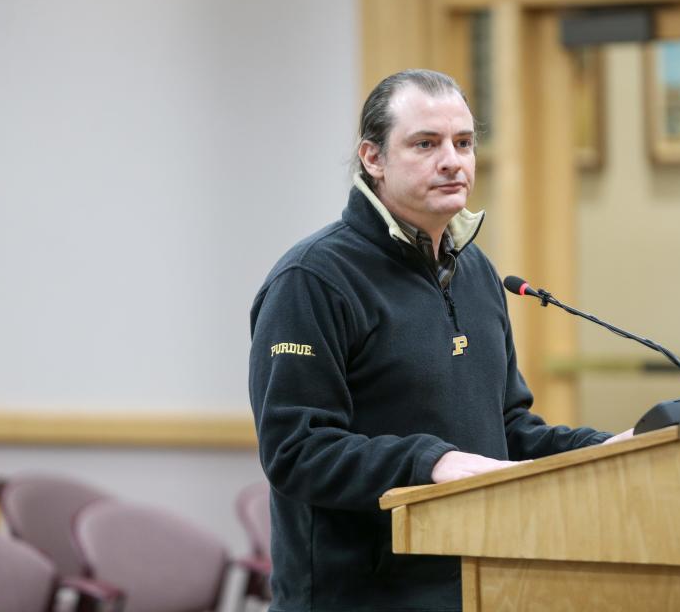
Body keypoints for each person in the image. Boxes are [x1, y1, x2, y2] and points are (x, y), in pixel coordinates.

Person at [248, 69, 634, 612]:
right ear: (373, 158)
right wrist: (431, 461)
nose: (452, 160)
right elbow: (296, 450)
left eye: (464, 143)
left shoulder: (475, 270)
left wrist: (604, 451)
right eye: (426, 144)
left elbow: (508, 431)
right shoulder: (312, 280)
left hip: (478, 583)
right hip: (356, 596)